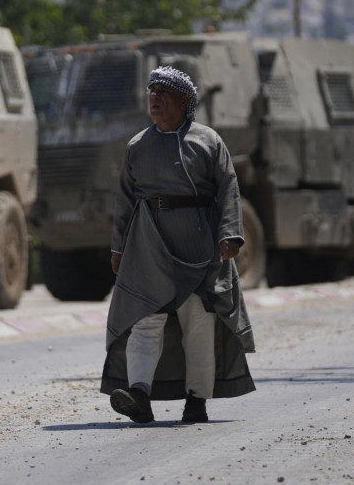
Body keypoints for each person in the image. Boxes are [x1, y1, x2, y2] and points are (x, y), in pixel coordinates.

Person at [101, 65, 255, 424]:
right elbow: (124, 201)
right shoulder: (137, 146)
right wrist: (118, 248)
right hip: (148, 245)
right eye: (152, 92)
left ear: (185, 101)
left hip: (199, 246)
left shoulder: (209, 141)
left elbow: (228, 189)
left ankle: (197, 399)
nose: (155, 98)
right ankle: (138, 393)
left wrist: (229, 233)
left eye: (164, 92)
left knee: (198, 323)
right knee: (144, 318)